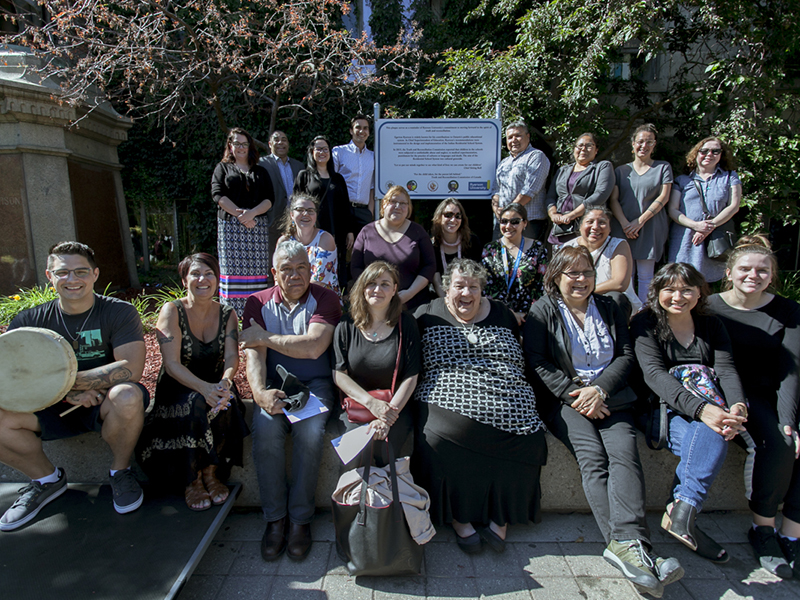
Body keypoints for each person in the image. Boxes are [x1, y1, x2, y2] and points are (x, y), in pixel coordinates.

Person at [525, 246, 682, 596]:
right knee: (593, 459)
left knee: (625, 455)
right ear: (556, 277)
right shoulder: (542, 311)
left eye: (587, 273)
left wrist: (600, 390)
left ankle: (626, 546)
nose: (581, 280)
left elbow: (626, 356)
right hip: (565, 400)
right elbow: (537, 362)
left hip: (612, 398)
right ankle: (636, 549)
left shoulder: (612, 307)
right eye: (572, 273)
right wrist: (576, 394)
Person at [0, 242, 147, 531]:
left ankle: (120, 471)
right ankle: (46, 480)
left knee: (128, 394)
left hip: (104, 404)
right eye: (63, 272)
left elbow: (131, 367)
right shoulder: (28, 321)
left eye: (80, 271)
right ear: (49, 276)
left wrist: (73, 384)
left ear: (94, 274)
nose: (72, 279)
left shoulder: (119, 313)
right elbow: (13, 379)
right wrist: (68, 391)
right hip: (47, 407)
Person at [413, 259, 547, 555]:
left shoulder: (501, 313)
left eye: (474, 286)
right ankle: (459, 516)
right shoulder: (426, 314)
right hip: (445, 394)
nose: (467, 293)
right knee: (438, 437)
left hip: (506, 393)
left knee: (529, 434)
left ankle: (502, 513)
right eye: (459, 286)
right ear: (445, 290)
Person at [631, 262, 747, 564]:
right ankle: (683, 513)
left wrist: (737, 405)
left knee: (713, 431)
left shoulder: (711, 324)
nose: (677, 296)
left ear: (699, 293)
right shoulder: (645, 323)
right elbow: (655, 375)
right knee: (714, 433)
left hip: (710, 406)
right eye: (669, 289)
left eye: (686, 290)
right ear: (656, 292)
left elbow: (726, 368)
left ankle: (681, 511)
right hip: (662, 410)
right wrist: (703, 410)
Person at [240, 240, 342, 562]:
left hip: (316, 384)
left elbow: (314, 347)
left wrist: (263, 336)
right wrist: (258, 393)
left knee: (310, 432)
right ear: (274, 273)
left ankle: (300, 520)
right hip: (272, 385)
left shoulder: (326, 298)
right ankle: (275, 519)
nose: (295, 275)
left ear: (311, 270)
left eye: (301, 268)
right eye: (287, 269)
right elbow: (254, 356)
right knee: (266, 430)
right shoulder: (256, 303)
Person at [708, 237, 800, 578]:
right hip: (737, 397)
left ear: (772, 274)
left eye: (762, 270)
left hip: (777, 393)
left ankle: (792, 532)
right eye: (745, 269)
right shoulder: (710, 306)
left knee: (791, 436)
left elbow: (791, 371)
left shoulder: (788, 311)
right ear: (729, 273)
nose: (753, 275)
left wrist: (789, 419)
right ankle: (763, 528)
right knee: (779, 444)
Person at [136, 253, 249, 511]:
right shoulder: (172, 311)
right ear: (185, 279)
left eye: (209, 274)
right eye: (196, 274)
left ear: (218, 279)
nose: (203, 279)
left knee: (227, 401)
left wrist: (224, 383)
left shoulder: (227, 312)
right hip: (178, 387)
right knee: (198, 403)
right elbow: (172, 365)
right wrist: (205, 388)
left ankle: (211, 473)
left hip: (214, 382)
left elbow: (232, 356)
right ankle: (193, 479)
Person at [333, 261, 421, 468]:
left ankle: (386, 501)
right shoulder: (346, 325)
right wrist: (371, 404)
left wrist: (387, 417)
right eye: (371, 283)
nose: (377, 289)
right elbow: (339, 373)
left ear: (394, 290)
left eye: (385, 284)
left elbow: (411, 375)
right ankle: (352, 501)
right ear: (363, 288)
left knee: (385, 449)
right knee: (352, 454)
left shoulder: (406, 324)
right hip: (357, 406)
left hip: (396, 407)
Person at [211, 127, 274, 316]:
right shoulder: (222, 168)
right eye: (236, 144)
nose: (240, 148)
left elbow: (270, 199)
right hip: (231, 228)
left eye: (244, 144)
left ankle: (257, 312)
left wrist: (252, 214)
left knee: (257, 272)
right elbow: (218, 195)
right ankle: (233, 316)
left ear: (250, 146)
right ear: (230, 146)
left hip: (257, 228)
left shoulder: (261, 171)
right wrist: (241, 216)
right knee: (232, 272)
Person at [609, 123, 673, 303]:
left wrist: (640, 221)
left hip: (650, 226)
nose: (643, 146)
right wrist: (625, 224)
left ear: (654, 145)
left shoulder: (662, 168)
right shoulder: (621, 170)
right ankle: (627, 313)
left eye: (649, 142)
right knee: (625, 276)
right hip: (623, 226)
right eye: (640, 141)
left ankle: (645, 314)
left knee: (646, 277)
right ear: (633, 143)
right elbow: (614, 200)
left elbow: (664, 197)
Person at [667, 137, 742, 283]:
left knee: (711, 282)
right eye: (704, 151)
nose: (710, 154)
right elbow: (673, 210)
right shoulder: (682, 180)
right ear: (696, 153)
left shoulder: (730, 177)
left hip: (715, 236)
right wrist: (695, 226)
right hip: (686, 236)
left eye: (715, 151)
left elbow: (734, 206)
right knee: (681, 278)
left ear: (721, 155)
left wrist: (709, 226)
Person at [350, 185, 436, 311]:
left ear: (408, 208)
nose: (398, 207)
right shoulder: (367, 232)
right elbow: (355, 267)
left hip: (413, 306)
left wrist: (410, 293)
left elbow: (430, 266)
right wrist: (372, 293)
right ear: (383, 204)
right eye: (393, 201)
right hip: (374, 306)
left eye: (403, 203)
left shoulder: (418, 232)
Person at [294, 135, 352, 287]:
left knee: (337, 262)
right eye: (318, 149)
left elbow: (346, 207)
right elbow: (295, 205)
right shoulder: (304, 176)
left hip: (337, 230)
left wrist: (349, 231)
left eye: (325, 149)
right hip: (313, 230)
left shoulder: (338, 178)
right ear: (312, 152)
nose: (322, 152)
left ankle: (336, 299)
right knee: (314, 264)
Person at [564, 206, 642, 316]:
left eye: (602, 222)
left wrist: (584, 292)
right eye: (590, 222)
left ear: (610, 228)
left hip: (608, 302)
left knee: (616, 297)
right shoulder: (568, 247)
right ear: (580, 226)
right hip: (575, 299)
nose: (595, 227)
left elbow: (620, 283)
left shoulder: (619, 245)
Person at [481, 202, 548, 324]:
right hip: (498, 314)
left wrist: (526, 313)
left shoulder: (538, 248)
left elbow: (541, 285)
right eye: (504, 221)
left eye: (515, 221)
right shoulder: (490, 249)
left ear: (525, 223)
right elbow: (487, 287)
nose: (508, 226)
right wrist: (509, 313)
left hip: (531, 316)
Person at [546, 133, 615, 246]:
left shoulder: (602, 167)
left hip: (586, 228)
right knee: (560, 263)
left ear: (596, 150)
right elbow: (550, 196)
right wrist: (553, 214)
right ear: (574, 149)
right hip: (561, 229)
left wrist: (572, 215)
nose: (583, 149)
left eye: (589, 145)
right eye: (580, 145)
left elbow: (600, 194)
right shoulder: (563, 170)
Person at [491, 121, 551, 242]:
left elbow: (529, 190)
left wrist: (508, 212)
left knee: (526, 260)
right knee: (497, 258)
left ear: (528, 137)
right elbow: (496, 190)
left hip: (528, 223)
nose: (514, 140)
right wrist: (496, 208)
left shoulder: (536, 156)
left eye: (518, 136)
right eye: (510, 137)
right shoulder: (504, 163)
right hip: (503, 223)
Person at [276, 193, 341, 300]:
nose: (305, 214)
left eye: (310, 211)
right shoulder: (283, 241)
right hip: (290, 298)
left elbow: (319, 281)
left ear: (316, 216)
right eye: (300, 210)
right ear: (292, 214)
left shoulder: (325, 239)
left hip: (322, 299)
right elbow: (278, 278)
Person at [259, 130, 304, 280]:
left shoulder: (299, 166)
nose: (280, 143)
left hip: (296, 221)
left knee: (295, 258)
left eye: (284, 140)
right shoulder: (262, 164)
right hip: (272, 219)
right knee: (272, 259)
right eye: (276, 140)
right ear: (270, 144)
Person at [430, 197, 482, 297]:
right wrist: (448, 302)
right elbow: (436, 281)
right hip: (441, 297)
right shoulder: (432, 245)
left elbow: (476, 277)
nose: (453, 220)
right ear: (439, 217)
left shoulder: (472, 242)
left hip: (468, 294)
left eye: (458, 216)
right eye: (448, 215)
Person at [332, 115, 375, 235]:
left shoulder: (373, 157)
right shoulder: (339, 152)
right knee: (342, 248)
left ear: (369, 132)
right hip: (343, 209)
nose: (362, 131)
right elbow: (332, 182)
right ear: (351, 131)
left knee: (365, 251)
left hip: (363, 212)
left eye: (365, 128)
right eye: (358, 127)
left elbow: (372, 187)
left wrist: (370, 213)